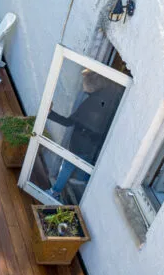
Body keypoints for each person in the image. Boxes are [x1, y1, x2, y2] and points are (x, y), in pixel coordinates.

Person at [45, 69, 123, 199]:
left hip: (80, 142)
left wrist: (50, 113)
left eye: (83, 82)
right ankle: (81, 181)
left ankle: (55, 192)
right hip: (94, 143)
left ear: (91, 84)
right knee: (86, 161)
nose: (82, 85)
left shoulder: (91, 103)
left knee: (67, 165)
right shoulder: (110, 98)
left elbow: (68, 122)